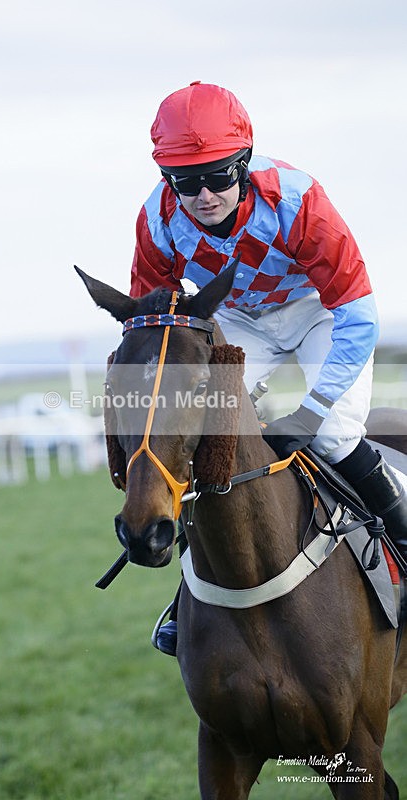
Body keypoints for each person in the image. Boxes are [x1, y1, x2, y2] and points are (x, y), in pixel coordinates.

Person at [129, 81, 407, 656]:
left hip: (320, 314)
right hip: (240, 321)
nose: (203, 195)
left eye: (219, 176)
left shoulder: (299, 201)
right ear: (166, 179)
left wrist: (311, 409)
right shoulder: (156, 222)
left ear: (245, 163)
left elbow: (357, 316)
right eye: (185, 182)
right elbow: (150, 326)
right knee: (203, 437)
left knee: (330, 433)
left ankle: (403, 544)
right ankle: (191, 593)